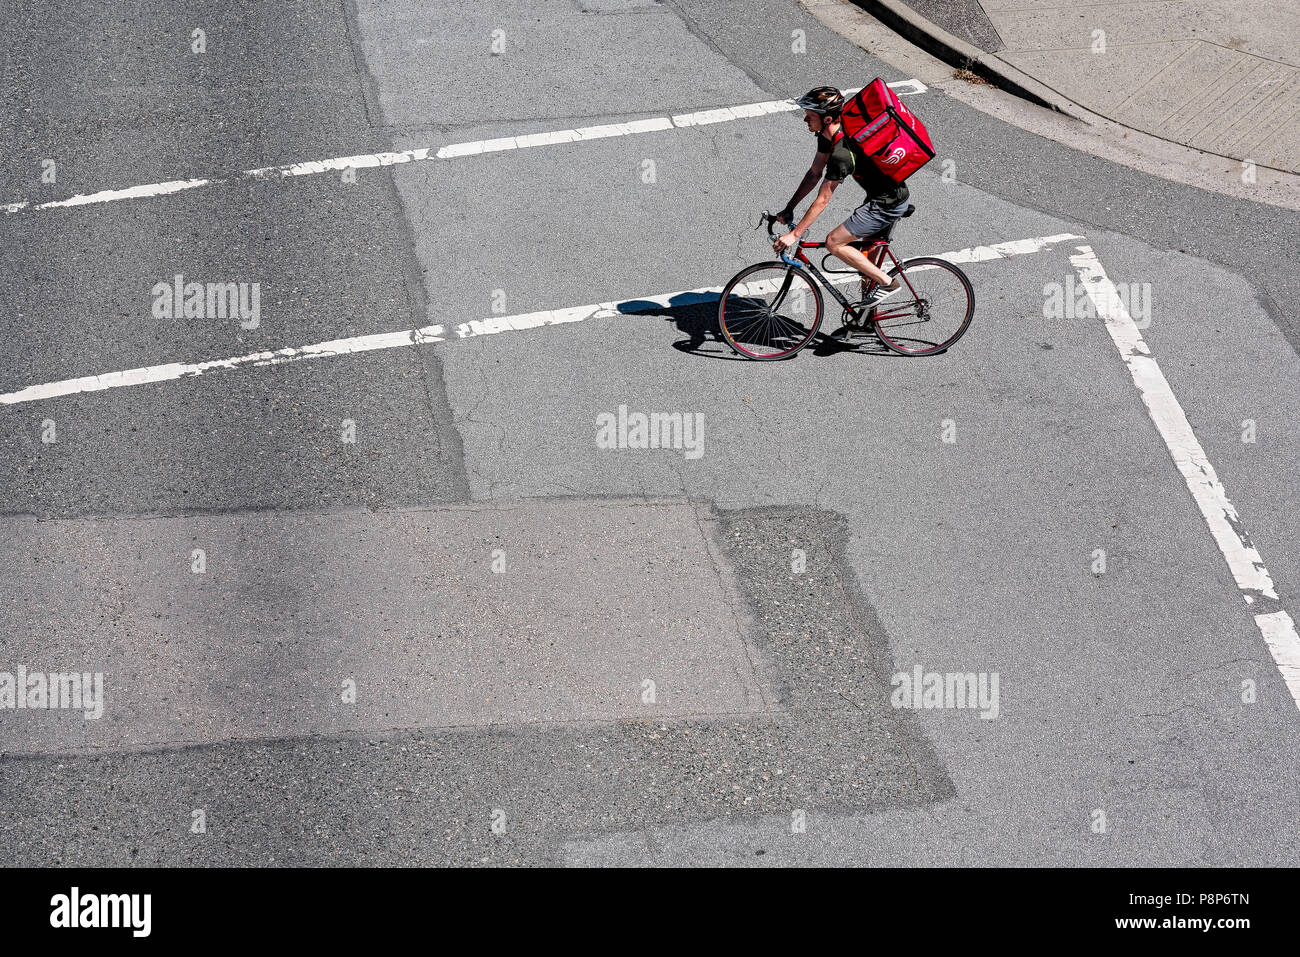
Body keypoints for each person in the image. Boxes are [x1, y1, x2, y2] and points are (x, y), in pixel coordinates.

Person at [774, 86, 912, 311]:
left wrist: (794, 234)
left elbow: (823, 199)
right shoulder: (828, 136)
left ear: (827, 118)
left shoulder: (841, 153)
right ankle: (867, 321)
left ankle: (888, 284)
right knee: (866, 263)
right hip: (879, 196)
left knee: (834, 242)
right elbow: (813, 174)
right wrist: (790, 208)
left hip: (887, 203)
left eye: (810, 115)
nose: (805, 119)